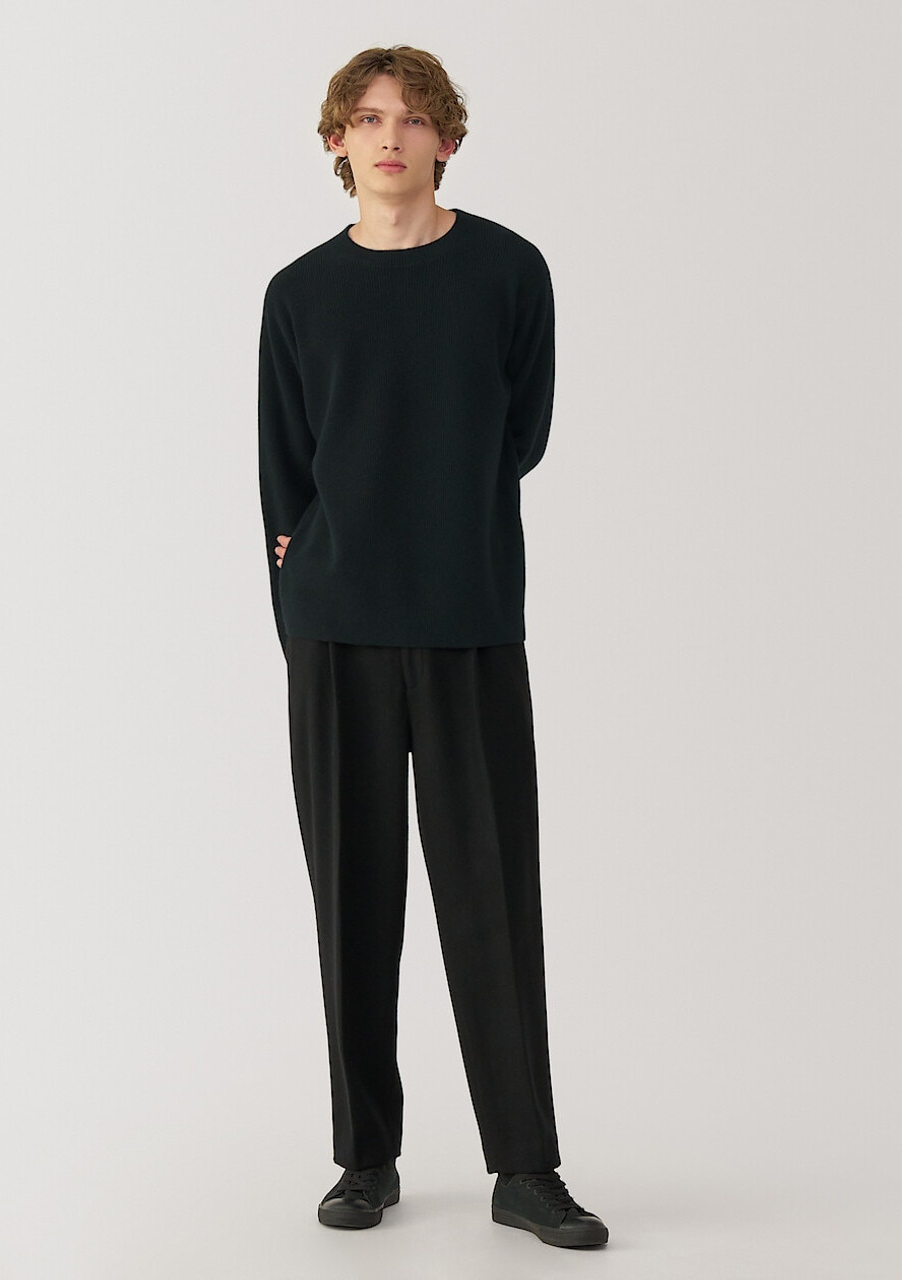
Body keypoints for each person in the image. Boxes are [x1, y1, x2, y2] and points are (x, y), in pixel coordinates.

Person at [257, 45, 608, 1250]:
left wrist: (440, 516)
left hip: (465, 614)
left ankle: (525, 1166)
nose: (389, 136)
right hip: (337, 626)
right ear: (336, 143)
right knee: (352, 898)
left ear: (447, 138)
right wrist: (304, 597)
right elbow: (283, 471)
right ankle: (365, 1156)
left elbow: (522, 432)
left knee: (491, 895)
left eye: (412, 118)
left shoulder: (507, 271)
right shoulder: (298, 294)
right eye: (366, 119)